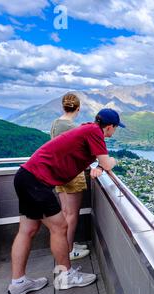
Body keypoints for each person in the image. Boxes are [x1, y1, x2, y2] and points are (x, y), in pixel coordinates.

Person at [8, 107, 125, 294]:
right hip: (37, 183)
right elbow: (107, 163)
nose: (114, 131)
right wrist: (109, 161)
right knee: (60, 227)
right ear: (110, 127)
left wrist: (97, 166)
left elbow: (86, 158)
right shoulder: (95, 132)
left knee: (27, 230)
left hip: (26, 176)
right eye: (115, 128)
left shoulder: (87, 129)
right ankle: (66, 276)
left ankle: (18, 283)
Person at [50, 93, 90, 261]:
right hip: (72, 173)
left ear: (63, 106)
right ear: (78, 109)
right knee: (72, 214)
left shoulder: (55, 124)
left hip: (57, 172)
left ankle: (67, 244)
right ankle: (69, 250)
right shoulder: (73, 128)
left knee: (65, 212)